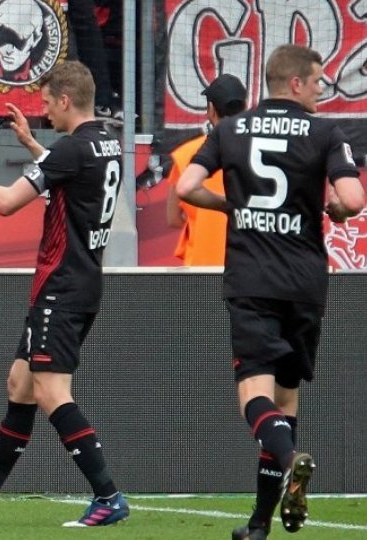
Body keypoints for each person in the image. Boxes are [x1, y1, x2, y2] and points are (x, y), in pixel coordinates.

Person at [177, 44, 364, 540]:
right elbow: (352, 199)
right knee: (286, 398)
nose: (322, 90)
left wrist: (230, 207)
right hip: (305, 282)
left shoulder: (230, 130)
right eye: (319, 81)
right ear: (296, 83)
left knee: (254, 396)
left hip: (252, 279)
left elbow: (185, 187)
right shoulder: (326, 133)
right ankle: (260, 524)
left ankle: (290, 459)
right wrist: (336, 210)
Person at [0, 60, 129, 527]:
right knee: (20, 385)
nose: (44, 112)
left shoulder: (69, 149)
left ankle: (108, 495)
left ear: (65, 100)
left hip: (61, 285)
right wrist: (33, 147)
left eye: (47, 104)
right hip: (84, 281)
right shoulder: (105, 144)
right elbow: (73, 175)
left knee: (50, 391)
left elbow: (5, 203)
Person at [166, 74, 248, 266]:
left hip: (200, 263)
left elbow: (173, 218)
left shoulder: (186, 154)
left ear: (211, 109)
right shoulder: (260, 150)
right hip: (246, 264)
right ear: (245, 107)